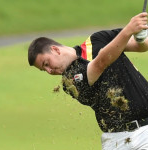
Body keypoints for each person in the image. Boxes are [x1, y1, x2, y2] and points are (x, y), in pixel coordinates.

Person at [28, 13, 148, 150]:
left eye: (46, 63)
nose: (49, 71)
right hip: (116, 141)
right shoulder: (70, 81)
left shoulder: (97, 40)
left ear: (55, 50)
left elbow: (140, 46)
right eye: (45, 70)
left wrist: (140, 36)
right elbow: (101, 62)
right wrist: (128, 30)